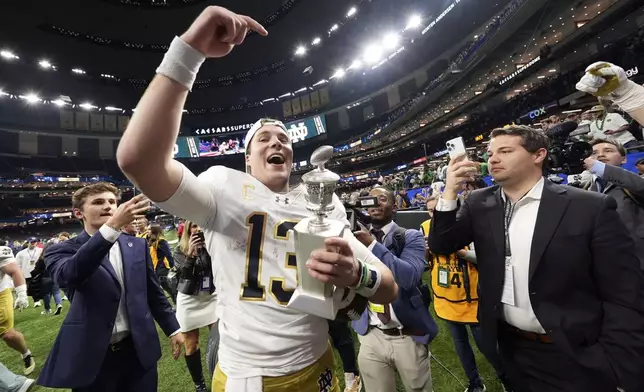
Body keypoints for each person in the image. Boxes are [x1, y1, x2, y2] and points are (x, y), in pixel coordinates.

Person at [116, 6, 397, 391]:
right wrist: (189, 52)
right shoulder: (223, 187)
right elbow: (138, 160)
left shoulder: (319, 202)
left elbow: (387, 284)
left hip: (320, 362)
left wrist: (356, 275)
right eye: (263, 139)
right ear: (248, 160)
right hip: (251, 377)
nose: (276, 142)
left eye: (284, 139)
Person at [428, 124, 644, 392]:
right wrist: (449, 192)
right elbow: (441, 244)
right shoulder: (479, 203)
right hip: (512, 348)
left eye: (505, 151)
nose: (492, 159)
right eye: (490, 153)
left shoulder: (588, 206)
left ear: (538, 154)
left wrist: (621, 368)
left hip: (574, 351)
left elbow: (623, 293)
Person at [38, 184, 184, 392]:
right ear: (79, 212)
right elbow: (70, 275)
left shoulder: (136, 245)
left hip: (138, 351)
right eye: (98, 202)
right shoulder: (60, 250)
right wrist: (112, 227)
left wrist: (173, 329)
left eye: (112, 202)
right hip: (93, 356)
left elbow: (152, 293)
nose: (107, 206)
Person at [352, 187, 437, 392]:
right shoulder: (354, 239)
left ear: (395, 206)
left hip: (406, 335)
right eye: (371, 200)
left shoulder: (411, 236)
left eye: (382, 199)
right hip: (370, 333)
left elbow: (408, 278)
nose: (376, 204)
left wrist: (373, 245)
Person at [584, 139, 644, 267]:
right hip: (611, 266)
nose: (600, 155)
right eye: (593, 153)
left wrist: (599, 168)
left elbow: (639, 186)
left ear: (624, 159)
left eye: (608, 151)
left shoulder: (635, 182)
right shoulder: (584, 190)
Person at [173, 221, 217, 392]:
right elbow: (184, 275)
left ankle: (220, 373)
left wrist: (209, 248)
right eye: (193, 226)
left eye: (200, 226)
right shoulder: (180, 250)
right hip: (189, 300)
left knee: (219, 337)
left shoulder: (212, 245)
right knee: (191, 344)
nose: (197, 229)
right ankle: (200, 385)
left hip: (211, 297)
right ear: (188, 229)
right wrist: (191, 255)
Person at [0, 246, 35, 376]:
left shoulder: (1, 251)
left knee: (8, 335)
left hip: (0, 295)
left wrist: (21, 294)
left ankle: (26, 353)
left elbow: (14, 270)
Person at [147, 224, 176, 305]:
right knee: (163, 286)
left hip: (162, 267)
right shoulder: (151, 240)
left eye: (149, 229)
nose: (147, 231)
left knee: (165, 286)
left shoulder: (161, 241)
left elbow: (168, 254)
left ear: (154, 231)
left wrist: (172, 266)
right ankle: (174, 300)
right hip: (155, 267)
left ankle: (175, 300)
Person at [32, 244, 63, 315]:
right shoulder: (57, 256)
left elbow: (37, 269)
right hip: (54, 276)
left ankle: (47, 309)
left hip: (45, 278)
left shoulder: (42, 258)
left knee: (46, 294)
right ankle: (59, 304)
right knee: (56, 292)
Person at [14, 239, 42, 308]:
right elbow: (17, 264)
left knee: (35, 288)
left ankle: (37, 301)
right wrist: (19, 273)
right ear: (28, 243)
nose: (33, 243)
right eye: (32, 242)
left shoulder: (40, 250)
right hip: (25, 273)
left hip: (36, 272)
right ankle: (24, 303)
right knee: (25, 289)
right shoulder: (21, 253)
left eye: (35, 242)